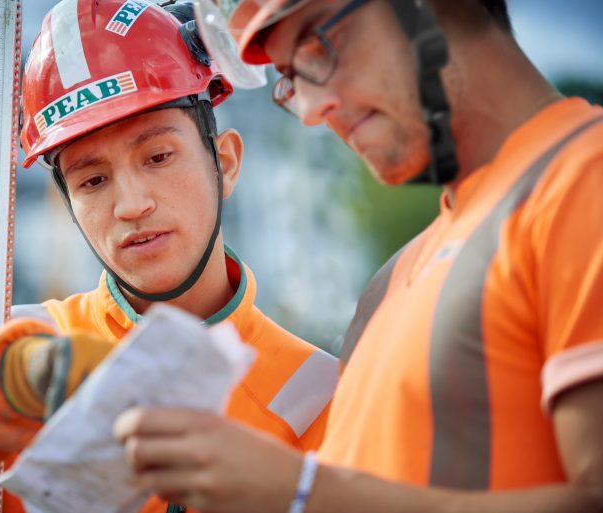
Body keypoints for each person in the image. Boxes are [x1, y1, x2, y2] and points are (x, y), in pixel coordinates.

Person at [0, 2, 338, 512]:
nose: (131, 205)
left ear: (224, 163)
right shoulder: (6, 339)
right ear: (68, 204)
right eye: (92, 180)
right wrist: (8, 386)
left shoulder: (317, 394)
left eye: (158, 157)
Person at [113, 1, 603, 512]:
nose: (308, 111)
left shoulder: (585, 177)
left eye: (316, 45)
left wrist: (301, 491)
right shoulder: (391, 283)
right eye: (289, 79)